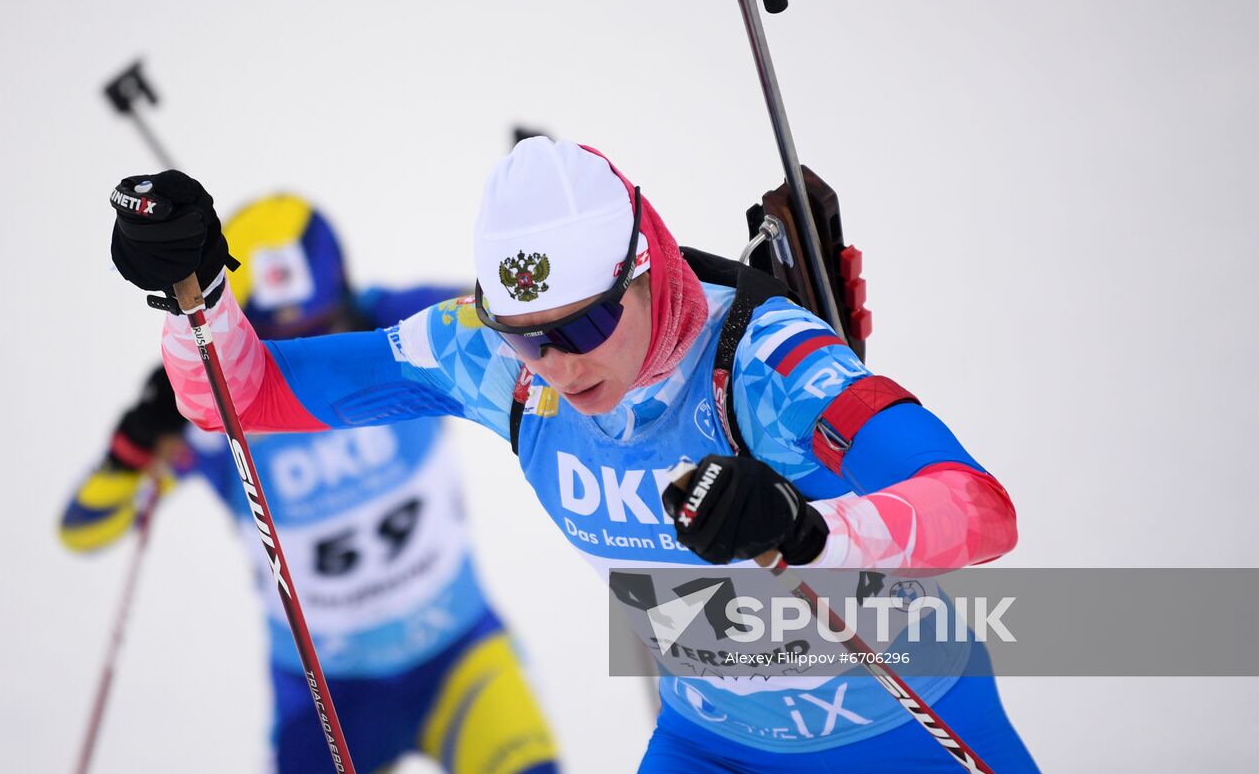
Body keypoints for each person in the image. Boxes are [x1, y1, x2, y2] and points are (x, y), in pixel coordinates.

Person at [106, 139, 1039, 772]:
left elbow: (977, 506)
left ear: (648, 270)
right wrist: (196, 295)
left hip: (905, 728)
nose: (560, 361)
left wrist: (804, 526)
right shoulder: (494, 361)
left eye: (588, 320)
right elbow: (237, 393)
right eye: (524, 334)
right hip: (711, 745)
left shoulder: (766, 362)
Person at [64, 192, 561, 774]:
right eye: (275, 346)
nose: (309, 355)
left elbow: (538, 334)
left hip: (462, 659)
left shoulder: (401, 325)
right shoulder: (212, 405)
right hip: (328, 700)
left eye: (326, 327)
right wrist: (132, 448)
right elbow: (86, 530)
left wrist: (542, 254)